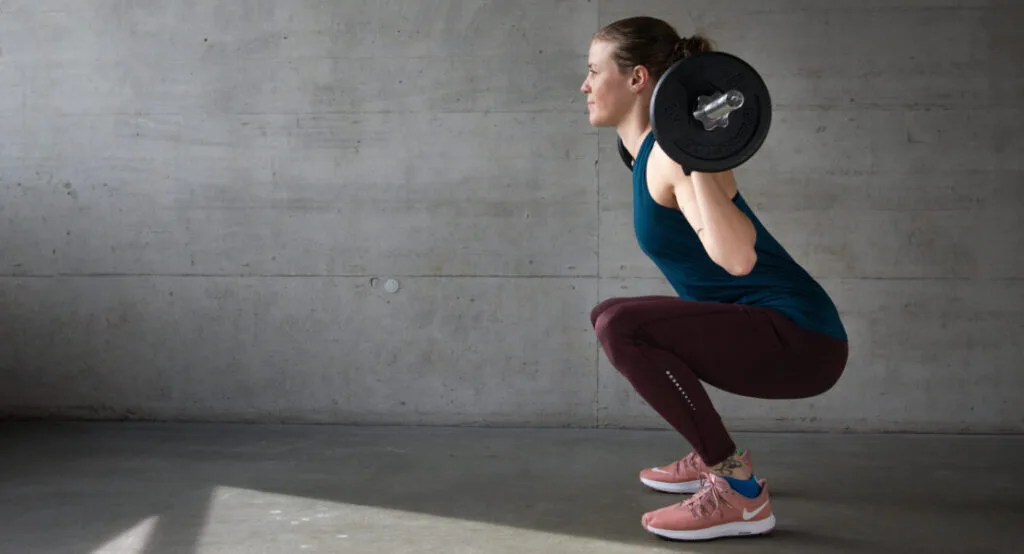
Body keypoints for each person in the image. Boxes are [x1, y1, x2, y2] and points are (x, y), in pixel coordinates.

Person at [580, 16, 850, 542]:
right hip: (770, 330)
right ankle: (709, 451)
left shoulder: (673, 156)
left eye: (594, 71)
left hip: (801, 339)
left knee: (621, 325)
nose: (585, 85)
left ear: (637, 78)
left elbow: (739, 260)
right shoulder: (648, 152)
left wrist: (693, 156)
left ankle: (737, 490)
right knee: (606, 314)